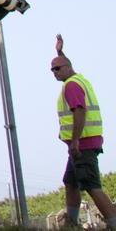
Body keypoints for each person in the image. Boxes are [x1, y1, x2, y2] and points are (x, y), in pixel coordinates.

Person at [53, 34, 116, 228]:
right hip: (86, 142)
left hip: (83, 145)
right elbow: (66, 63)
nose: (54, 72)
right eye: (52, 69)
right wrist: (59, 52)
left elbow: (79, 111)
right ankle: (71, 223)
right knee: (70, 182)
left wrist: (75, 142)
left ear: (68, 68)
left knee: (91, 185)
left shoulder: (71, 85)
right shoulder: (78, 79)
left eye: (57, 68)